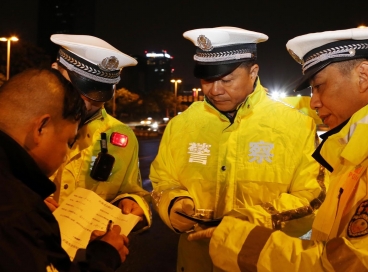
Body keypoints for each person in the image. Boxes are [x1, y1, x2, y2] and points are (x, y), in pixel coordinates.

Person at [188, 26, 368, 271]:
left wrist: (237, 241)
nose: (314, 102)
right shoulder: (364, 147)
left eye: (319, 86)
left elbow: (353, 263)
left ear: (363, 76)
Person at [150, 26, 326, 271]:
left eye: (226, 79)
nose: (214, 90)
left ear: (253, 72)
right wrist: (173, 204)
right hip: (195, 262)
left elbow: (311, 197)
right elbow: (162, 179)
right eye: (207, 80)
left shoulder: (296, 126)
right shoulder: (181, 125)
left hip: (258, 261)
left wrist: (246, 222)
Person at [0, 68, 129, 271]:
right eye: (69, 142)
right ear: (41, 127)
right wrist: (103, 257)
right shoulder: (19, 213)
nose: (67, 154)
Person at [47, 34, 151, 230]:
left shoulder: (121, 135)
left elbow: (133, 190)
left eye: (97, 95)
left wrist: (132, 202)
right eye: (78, 89)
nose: (86, 103)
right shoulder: (23, 122)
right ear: (55, 72)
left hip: (90, 253)